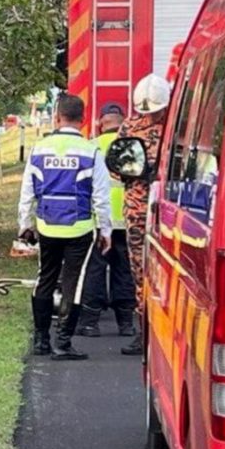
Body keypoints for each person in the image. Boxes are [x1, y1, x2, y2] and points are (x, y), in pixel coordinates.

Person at [18, 94, 112, 361]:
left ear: (57, 117)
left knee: (45, 278)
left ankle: (40, 340)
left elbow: (28, 191)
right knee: (74, 283)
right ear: (82, 120)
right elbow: (101, 197)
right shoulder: (91, 152)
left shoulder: (39, 150)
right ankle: (63, 342)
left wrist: (25, 225)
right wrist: (105, 231)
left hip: (47, 226)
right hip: (79, 229)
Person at [118, 74, 170, 356]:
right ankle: (144, 330)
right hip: (139, 211)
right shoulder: (129, 127)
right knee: (140, 271)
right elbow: (116, 167)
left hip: (169, 210)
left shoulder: (178, 125)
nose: (151, 117)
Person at [75, 103, 137, 338]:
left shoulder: (91, 147)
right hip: (126, 219)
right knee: (124, 270)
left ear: (101, 124)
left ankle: (90, 323)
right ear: (123, 123)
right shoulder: (131, 147)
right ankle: (126, 323)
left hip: (100, 221)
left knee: (96, 270)